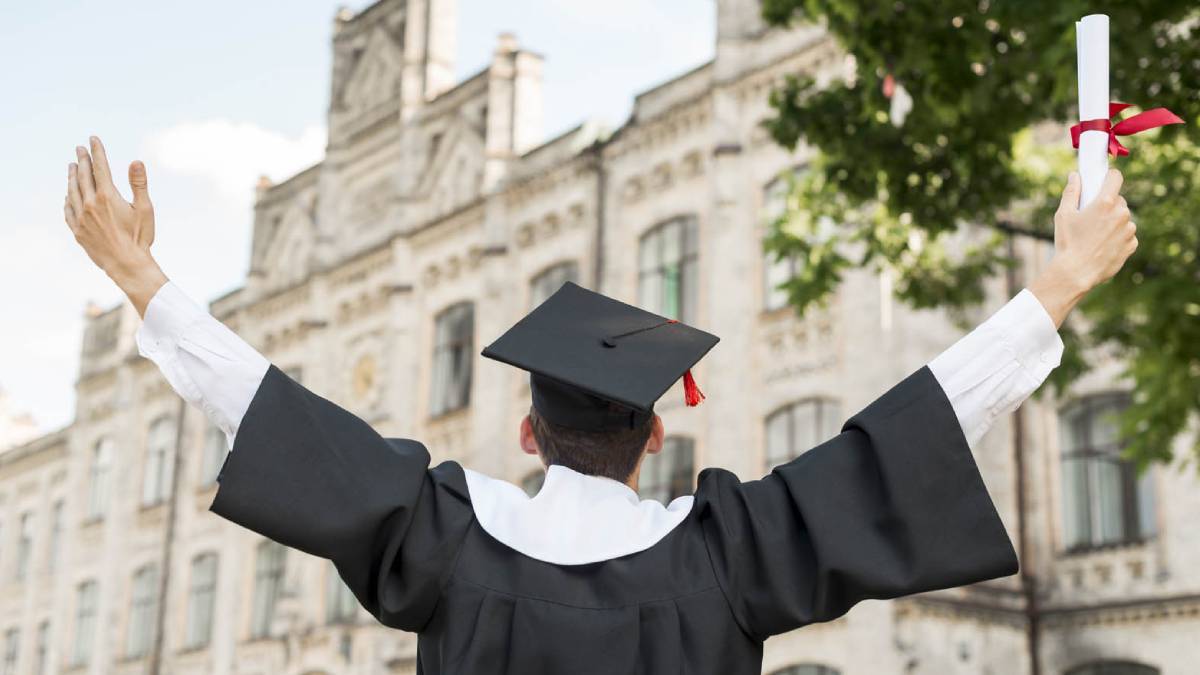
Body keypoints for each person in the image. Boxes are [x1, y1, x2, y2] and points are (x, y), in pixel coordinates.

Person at [62, 136, 1136, 674]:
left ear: (529, 435)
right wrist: (1060, 286)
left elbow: (270, 413)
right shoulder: (730, 557)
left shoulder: (440, 540)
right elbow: (909, 432)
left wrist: (145, 282)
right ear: (654, 434)